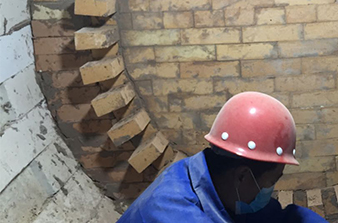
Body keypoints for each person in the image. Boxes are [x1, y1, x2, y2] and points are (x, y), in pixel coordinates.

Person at [117, 92, 327, 222]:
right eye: (271, 182)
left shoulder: (217, 183)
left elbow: (279, 218)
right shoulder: (172, 213)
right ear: (243, 176)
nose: (269, 191)